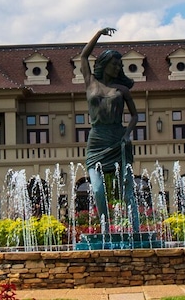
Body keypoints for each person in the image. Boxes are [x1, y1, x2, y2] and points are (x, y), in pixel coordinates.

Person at [79, 27, 139, 231]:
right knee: (97, 188)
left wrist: (126, 134)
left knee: (127, 189)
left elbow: (135, 116)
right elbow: (84, 55)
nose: (118, 68)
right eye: (115, 64)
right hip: (97, 140)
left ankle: (136, 228)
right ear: (105, 64)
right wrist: (98, 34)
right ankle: (105, 227)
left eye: (119, 65)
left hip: (117, 139)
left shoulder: (121, 90)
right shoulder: (90, 82)